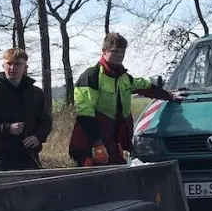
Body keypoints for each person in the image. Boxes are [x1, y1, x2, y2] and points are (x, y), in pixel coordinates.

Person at [69, 32, 180, 166]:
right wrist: (96, 144)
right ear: (104, 51)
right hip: (92, 145)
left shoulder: (124, 77)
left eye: (123, 52)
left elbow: (145, 86)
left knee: (120, 175)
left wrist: (170, 96)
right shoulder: (90, 77)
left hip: (115, 144)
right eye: (115, 51)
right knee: (94, 178)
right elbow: (85, 115)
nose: (120, 55)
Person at [0, 48, 53, 171]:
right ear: (3, 66)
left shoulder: (36, 93)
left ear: (25, 67)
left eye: (17, 64)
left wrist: (38, 137)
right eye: (9, 63)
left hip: (29, 155)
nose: (12, 68)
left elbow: (46, 122)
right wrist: (7, 128)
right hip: (1, 156)